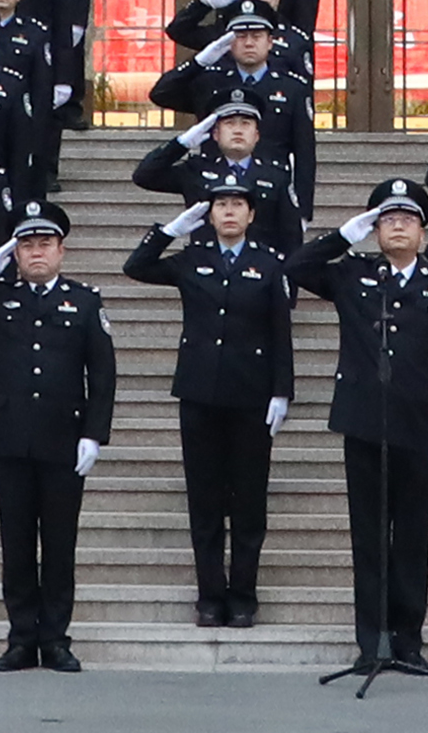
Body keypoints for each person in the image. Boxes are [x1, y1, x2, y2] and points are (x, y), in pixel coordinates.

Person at [294, 186, 428, 673]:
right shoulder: (353, 275)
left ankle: (408, 638)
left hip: (419, 425)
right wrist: (341, 236)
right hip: (363, 422)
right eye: (387, 219)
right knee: (369, 537)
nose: (397, 226)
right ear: (374, 230)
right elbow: (294, 268)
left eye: (407, 219)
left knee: (413, 538)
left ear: (422, 231)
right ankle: (371, 638)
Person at [123, 184, 304, 630]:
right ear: (209, 215)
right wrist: (168, 230)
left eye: (236, 205)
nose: (228, 212)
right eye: (221, 205)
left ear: (250, 214)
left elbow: (280, 332)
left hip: (251, 395)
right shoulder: (192, 259)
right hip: (200, 393)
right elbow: (136, 267)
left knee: (248, 501)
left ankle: (243, 594)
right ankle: (209, 595)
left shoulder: (268, 264)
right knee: (204, 501)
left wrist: (282, 391)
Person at [0, 209, 122, 672]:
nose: (36, 253)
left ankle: (54, 638)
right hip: (12, 437)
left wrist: (94, 435)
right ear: (15, 253)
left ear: (61, 251)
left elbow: (103, 374)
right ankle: (20, 638)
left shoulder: (85, 302)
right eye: (27, 246)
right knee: (16, 545)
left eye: (44, 245)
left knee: (58, 545)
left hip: (62, 440)